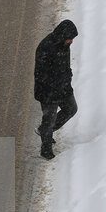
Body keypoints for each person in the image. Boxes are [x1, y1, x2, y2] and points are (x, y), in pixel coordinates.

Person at [34, 19, 78, 160]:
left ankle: (45, 131)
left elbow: (64, 66)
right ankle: (45, 150)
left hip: (63, 87)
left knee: (71, 109)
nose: (71, 41)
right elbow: (41, 75)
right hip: (48, 92)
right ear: (63, 36)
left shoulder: (64, 45)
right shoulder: (46, 48)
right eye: (70, 38)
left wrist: (67, 80)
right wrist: (53, 89)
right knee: (49, 119)